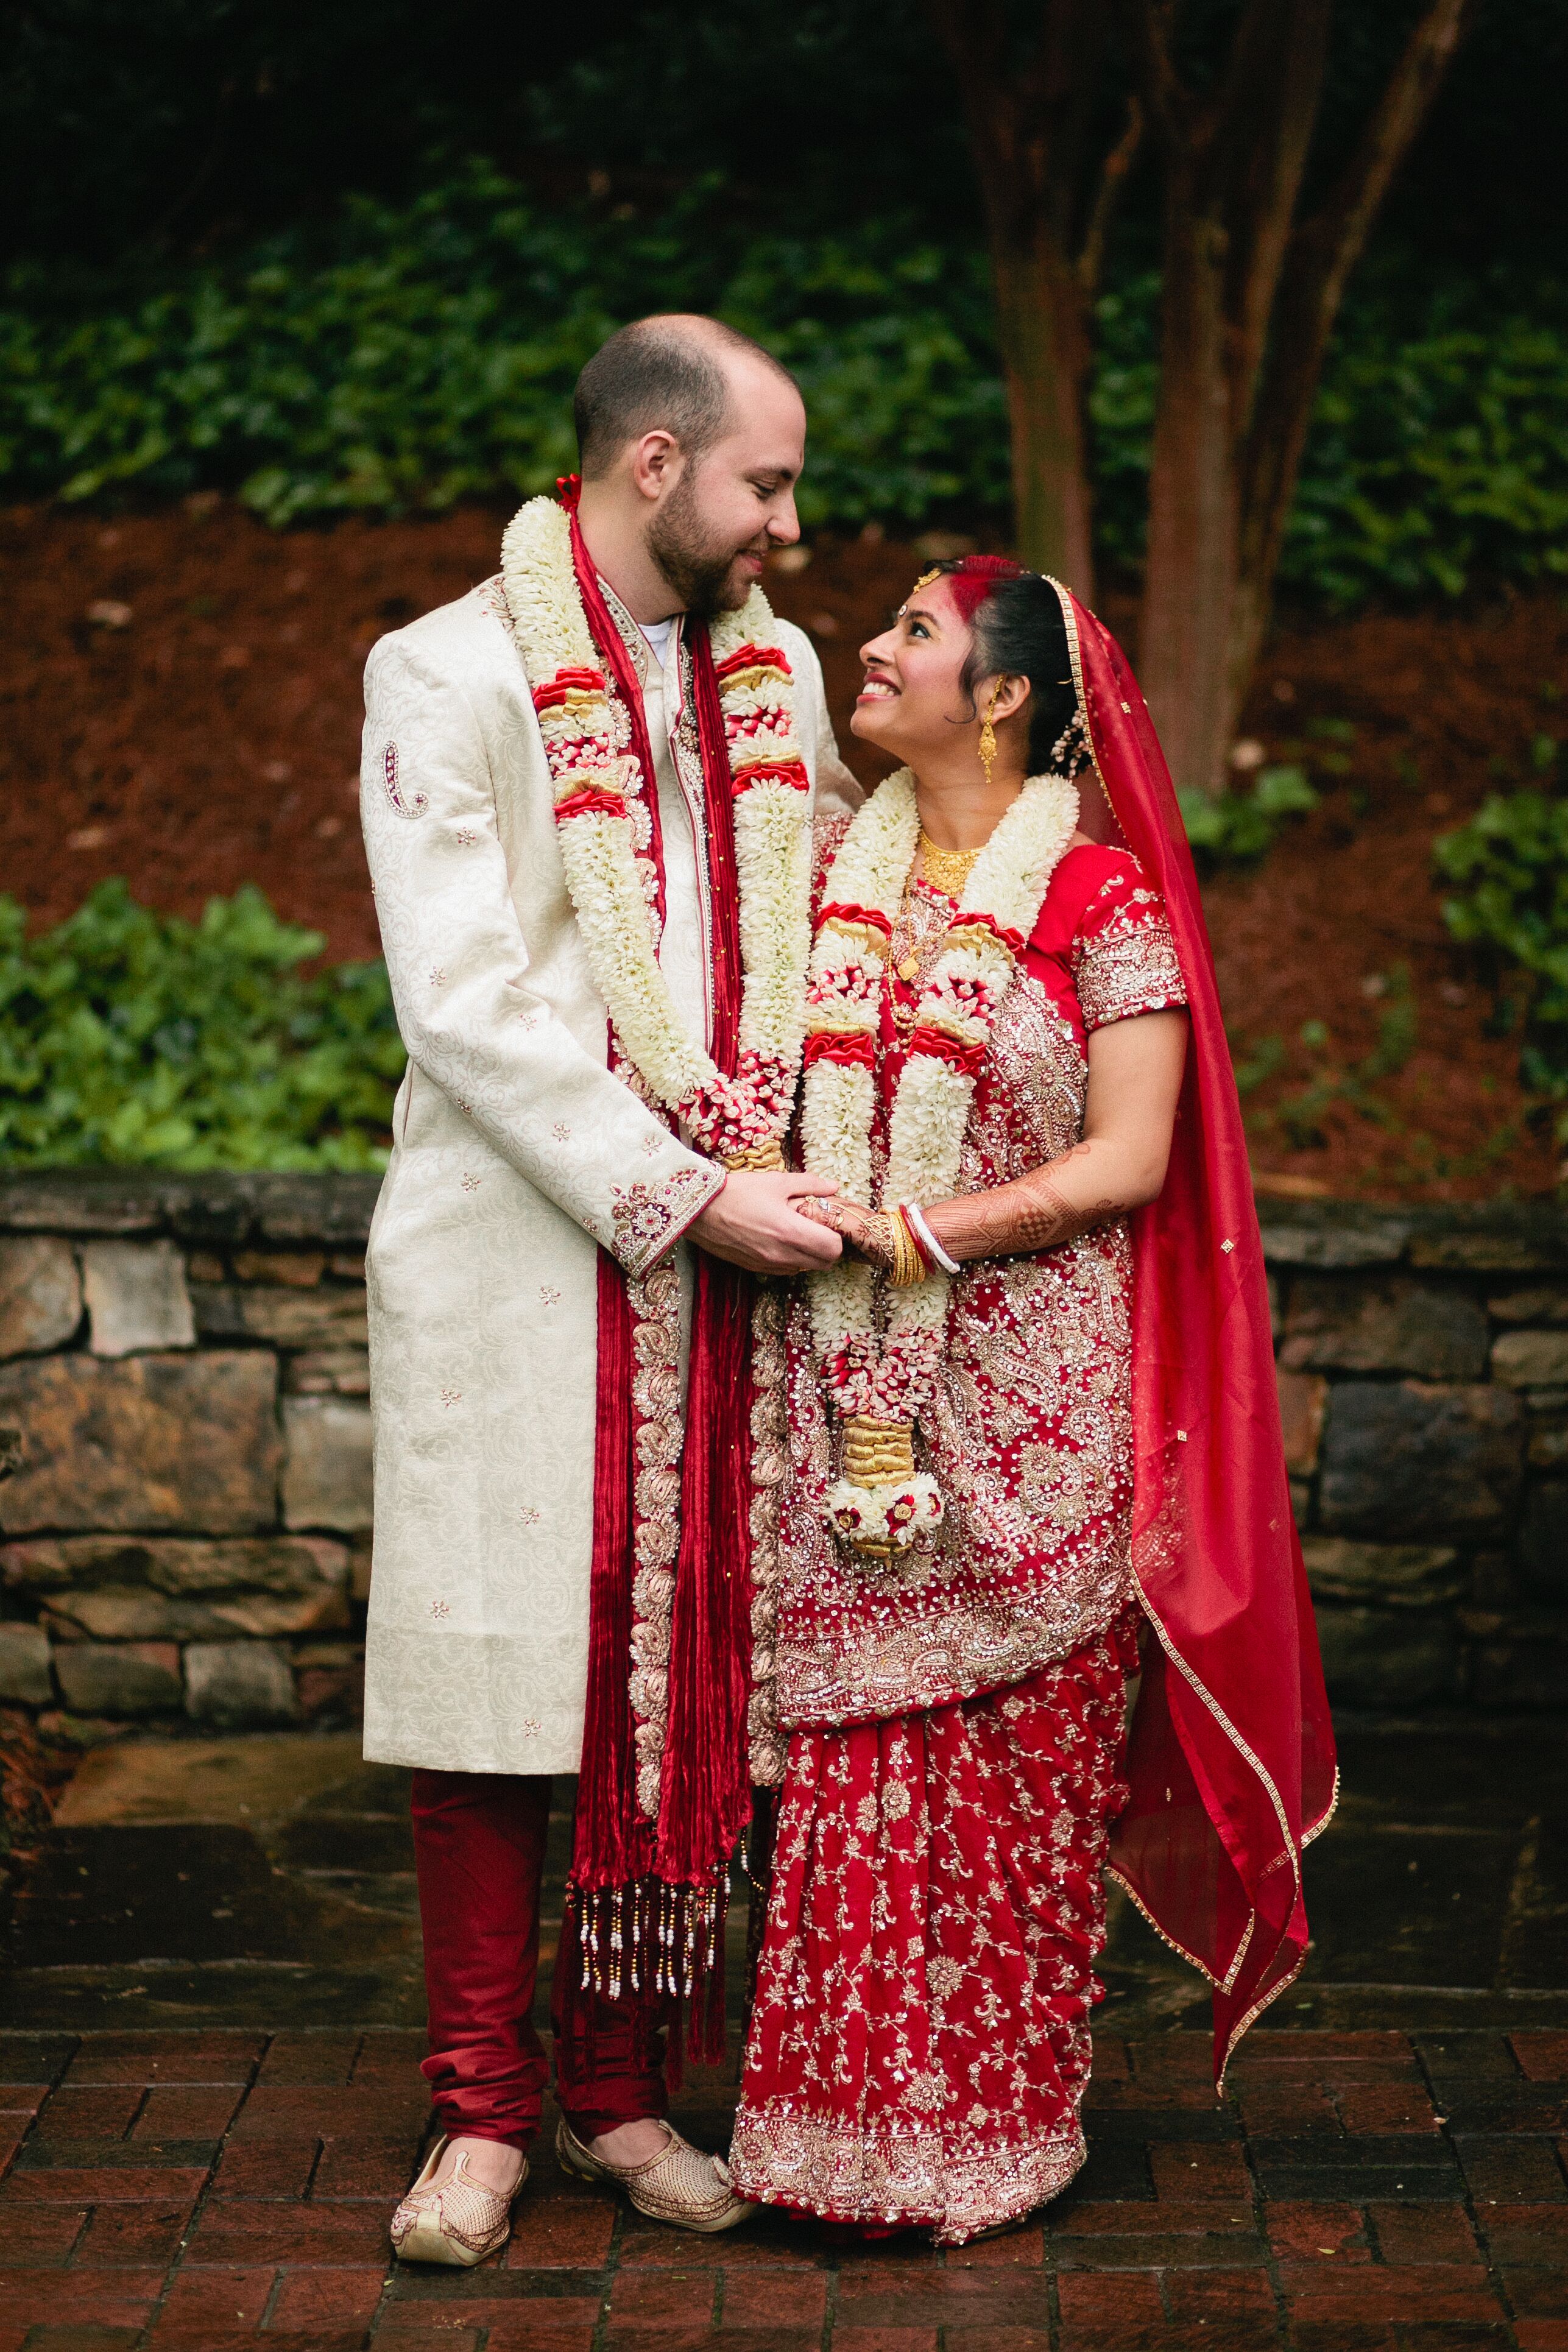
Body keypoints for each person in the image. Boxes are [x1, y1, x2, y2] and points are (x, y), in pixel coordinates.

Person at [729, 556, 1337, 2245]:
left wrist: (926, 1225)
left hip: (1038, 1405)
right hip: (846, 1382)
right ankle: (816, 2142)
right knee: (851, 1776)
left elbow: (1131, 1157)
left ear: (1000, 695)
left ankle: (992, 2142)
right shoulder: (820, 884)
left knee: (1001, 1782)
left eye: (916, 630)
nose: (874, 641)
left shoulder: (1101, 901)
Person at [358, 314, 858, 2265]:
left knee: (695, 1690)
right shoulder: (446, 670)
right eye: (766, 483)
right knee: (497, 1681)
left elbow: (830, 908)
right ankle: (479, 2122)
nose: (790, 531)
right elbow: (463, 998)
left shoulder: (781, 668)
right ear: (656, 466)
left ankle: (619, 2093)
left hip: (733, 1267)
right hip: (522, 1241)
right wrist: (685, 1191)